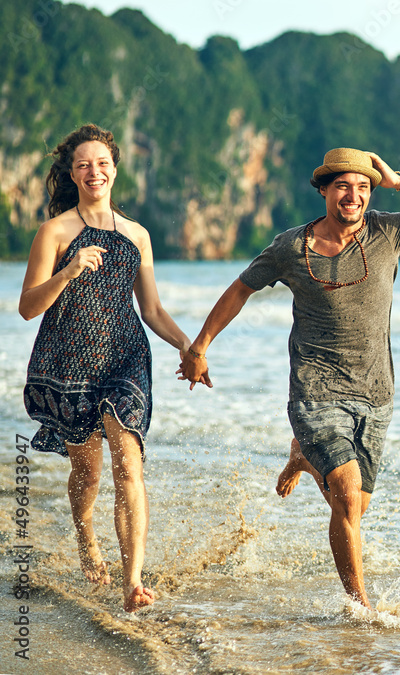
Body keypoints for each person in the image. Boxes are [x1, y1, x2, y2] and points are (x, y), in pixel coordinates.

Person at [178, 147, 400, 609]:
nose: (353, 196)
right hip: (315, 390)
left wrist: (399, 183)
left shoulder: (388, 230)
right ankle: (361, 606)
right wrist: (200, 347)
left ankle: (304, 457)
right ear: (323, 191)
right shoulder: (290, 248)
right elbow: (241, 288)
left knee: (355, 507)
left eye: (362, 187)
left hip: (376, 393)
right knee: (346, 490)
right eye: (342, 186)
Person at [20, 124, 192, 612]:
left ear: (114, 169)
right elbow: (27, 307)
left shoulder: (137, 235)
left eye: (101, 164)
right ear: (72, 173)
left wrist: (188, 346)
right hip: (68, 362)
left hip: (125, 359)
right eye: (82, 165)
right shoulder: (54, 232)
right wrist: (69, 270)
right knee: (88, 473)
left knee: (128, 462)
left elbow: (152, 310)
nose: (93, 172)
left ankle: (132, 580)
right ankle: (86, 538)